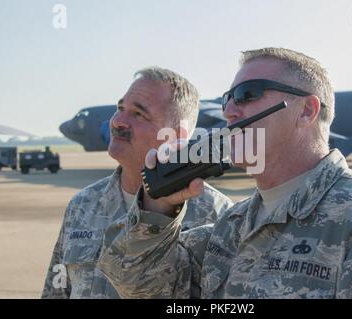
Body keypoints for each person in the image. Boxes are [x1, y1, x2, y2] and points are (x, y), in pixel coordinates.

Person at [97, 48, 352, 299]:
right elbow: (141, 288)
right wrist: (158, 209)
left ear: (306, 110)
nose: (230, 111)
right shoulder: (233, 224)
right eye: (229, 98)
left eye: (247, 94)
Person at [41, 67, 233, 298]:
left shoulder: (218, 214)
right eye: (120, 108)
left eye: (138, 114)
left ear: (176, 135)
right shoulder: (83, 205)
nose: (118, 121)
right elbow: (57, 290)